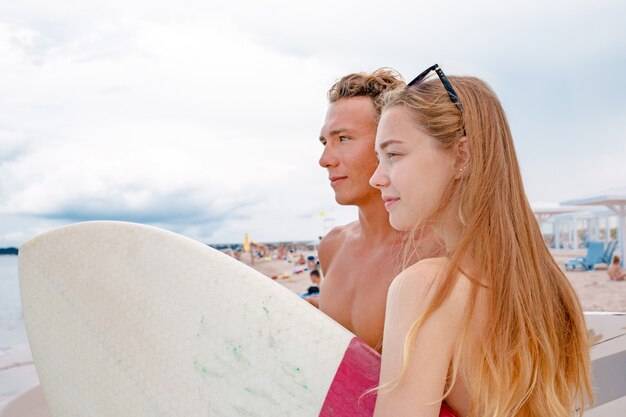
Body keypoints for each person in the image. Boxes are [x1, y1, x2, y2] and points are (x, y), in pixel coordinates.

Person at [369, 65, 593, 417]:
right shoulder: (548, 286)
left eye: (393, 154)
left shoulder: (428, 288)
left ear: (461, 156)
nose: (375, 178)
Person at [317, 69, 439, 351]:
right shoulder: (332, 247)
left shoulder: (437, 252)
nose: (325, 159)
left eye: (343, 138)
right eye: (325, 142)